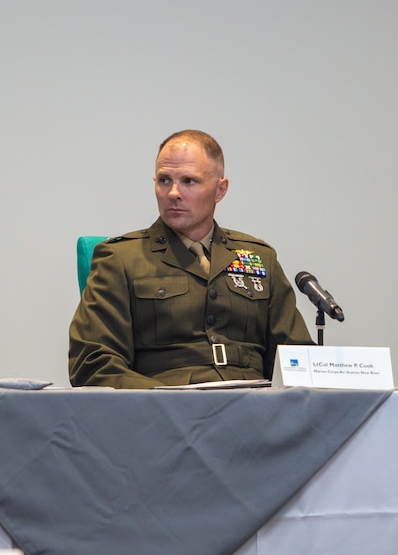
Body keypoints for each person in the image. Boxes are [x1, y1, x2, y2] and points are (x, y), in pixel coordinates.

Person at [68, 129, 312, 388]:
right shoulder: (121, 258)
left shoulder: (260, 257)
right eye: (164, 180)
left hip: (254, 408)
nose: (173, 193)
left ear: (220, 189)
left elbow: (297, 358)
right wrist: (168, 399)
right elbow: (92, 362)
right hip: (166, 409)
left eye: (188, 181)